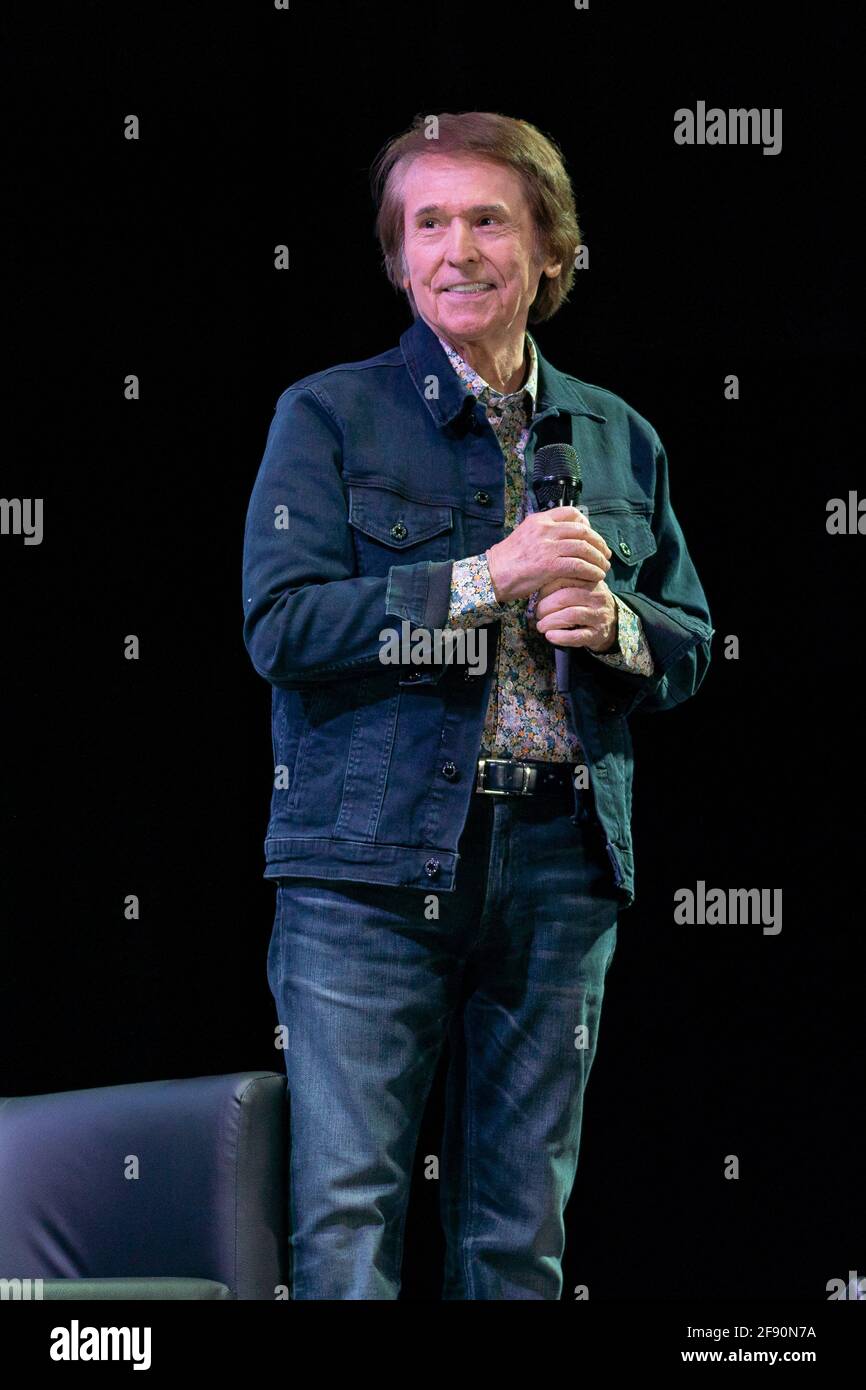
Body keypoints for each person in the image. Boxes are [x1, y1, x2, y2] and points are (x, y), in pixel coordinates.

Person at [241, 111, 713, 1300]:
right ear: (399, 258)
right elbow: (281, 628)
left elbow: (693, 639)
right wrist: (478, 580)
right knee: (347, 1225)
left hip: (560, 862)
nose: (457, 249)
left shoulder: (620, 433)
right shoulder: (329, 413)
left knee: (517, 1238)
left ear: (549, 250)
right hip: (368, 865)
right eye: (428, 222)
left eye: (489, 219)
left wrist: (617, 631)